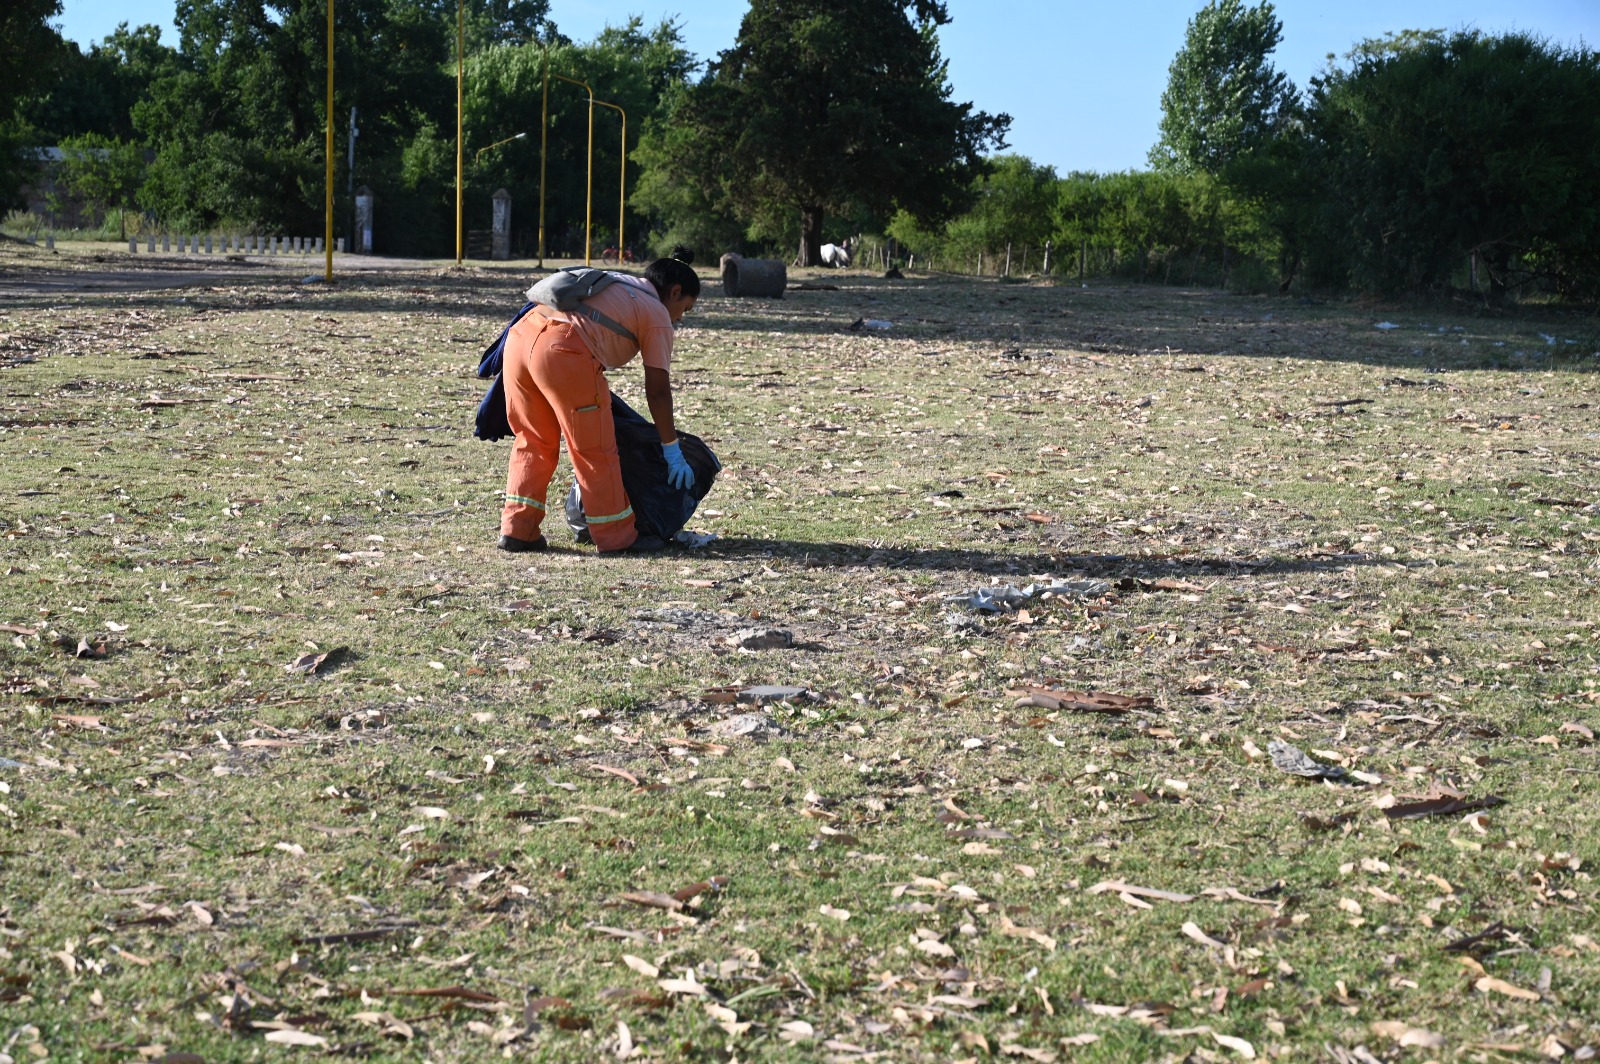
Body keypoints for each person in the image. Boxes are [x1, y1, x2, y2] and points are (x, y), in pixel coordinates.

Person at [498, 257, 701, 555]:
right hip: (563, 349)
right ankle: (616, 536)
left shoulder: (619, 282)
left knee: (533, 440)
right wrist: (671, 449)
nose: (680, 318)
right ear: (675, 291)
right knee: (595, 449)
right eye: (686, 308)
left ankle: (518, 529)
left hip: (519, 337)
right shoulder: (657, 312)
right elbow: (658, 391)